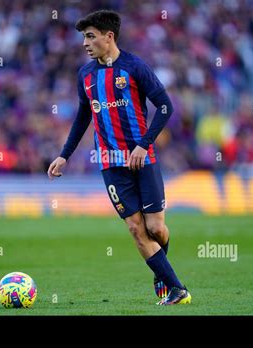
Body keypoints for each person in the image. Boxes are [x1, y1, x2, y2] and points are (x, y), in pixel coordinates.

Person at [47, 10, 190, 305]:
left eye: (90, 36)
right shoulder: (85, 75)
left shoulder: (135, 67)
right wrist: (64, 155)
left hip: (143, 158)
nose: (85, 43)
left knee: (155, 229)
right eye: (83, 37)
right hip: (110, 163)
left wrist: (143, 144)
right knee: (136, 229)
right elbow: (82, 117)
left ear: (108, 36)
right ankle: (177, 289)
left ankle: (160, 268)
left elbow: (164, 107)